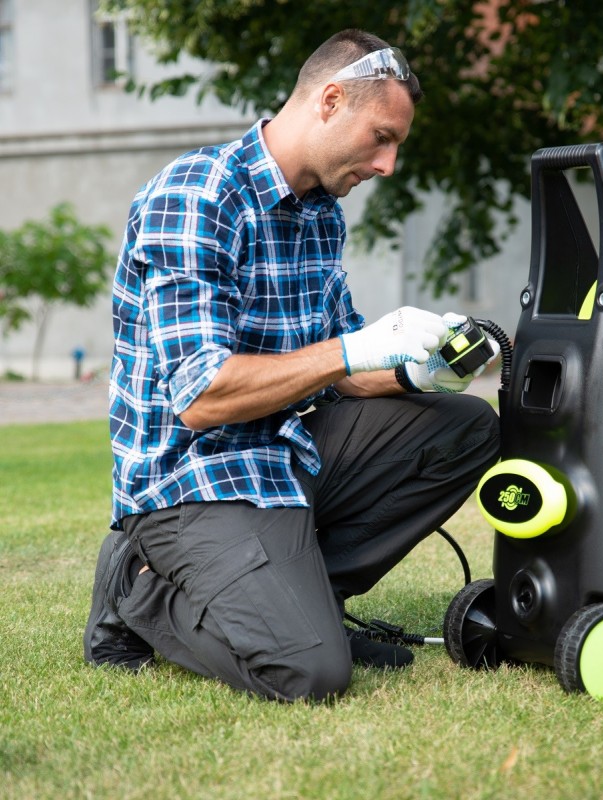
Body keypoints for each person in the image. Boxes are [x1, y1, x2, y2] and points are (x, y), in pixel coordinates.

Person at [84, 29, 500, 702]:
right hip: (190, 479)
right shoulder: (198, 196)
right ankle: (141, 590)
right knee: (310, 673)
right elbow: (201, 397)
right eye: (382, 137)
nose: (388, 164)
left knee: (467, 427)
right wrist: (349, 350)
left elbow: (338, 365)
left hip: (282, 454)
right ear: (331, 101)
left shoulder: (321, 215)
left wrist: (412, 371)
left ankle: (306, 600)